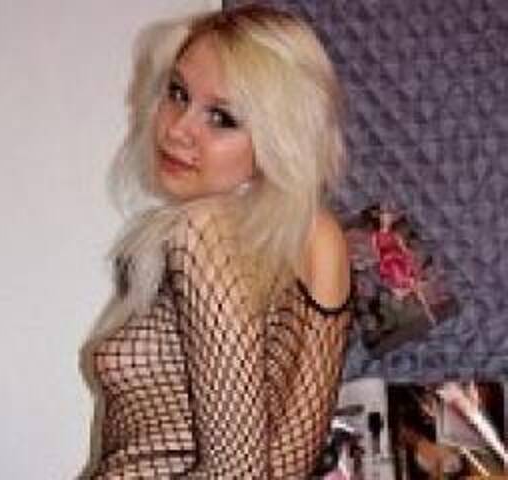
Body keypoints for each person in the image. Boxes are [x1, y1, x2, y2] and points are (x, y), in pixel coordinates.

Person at [81, 4, 352, 478]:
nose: (177, 129)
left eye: (222, 117)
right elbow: (284, 467)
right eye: (177, 93)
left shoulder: (202, 231)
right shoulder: (314, 236)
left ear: (278, 136)